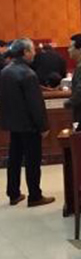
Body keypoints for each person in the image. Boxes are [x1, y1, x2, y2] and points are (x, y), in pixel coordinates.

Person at [0, 38, 55, 207]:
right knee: (32, 161)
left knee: (14, 159)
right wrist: (43, 126)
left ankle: (13, 193)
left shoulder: (5, 71)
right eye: (32, 50)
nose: (34, 53)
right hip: (29, 125)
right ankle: (35, 196)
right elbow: (35, 104)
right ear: (25, 52)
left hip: (13, 123)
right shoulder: (28, 74)